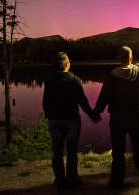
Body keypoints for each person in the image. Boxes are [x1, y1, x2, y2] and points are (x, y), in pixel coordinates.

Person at [93, 44, 139, 188]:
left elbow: (103, 98)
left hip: (117, 119)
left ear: (118, 58)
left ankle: (117, 181)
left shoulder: (111, 77)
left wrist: (95, 114)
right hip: (135, 117)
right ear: (131, 58)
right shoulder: (138, 70)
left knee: (118, 151)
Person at [42, 52, 99, 191]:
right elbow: (83, 102)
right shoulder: (75, 80)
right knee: (72, 152)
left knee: (57, 152)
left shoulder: (49, 80)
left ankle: (60, 181)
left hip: (55, 121)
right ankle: (72, 180)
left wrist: (49, 115)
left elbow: (45, 102)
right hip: (72, 121)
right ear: (68, 64)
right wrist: (93, 115)